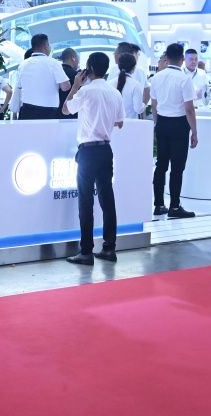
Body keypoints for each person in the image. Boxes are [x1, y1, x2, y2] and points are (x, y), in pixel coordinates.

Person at [64, 52, 124, 265]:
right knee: (107, 200)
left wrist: (75, 86)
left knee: (86, 200)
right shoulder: (115, 93)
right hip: (106, 150)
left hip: (88, 151)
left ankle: (86, 251)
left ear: (89, 68)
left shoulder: (86, 91)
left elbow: (65, 109)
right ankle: (109, 248)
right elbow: (120, 123)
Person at [149, 41, 198, 219]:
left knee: (161, 165)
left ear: (167, 58)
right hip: (179, 125)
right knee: (177, 167)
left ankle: (158, 204)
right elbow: (189, 109)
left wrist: (157, 123)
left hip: (162, 123)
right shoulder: (184, 79)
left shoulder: (157, 77)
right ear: (182, 59)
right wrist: (195, 132)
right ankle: (175, 206)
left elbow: (154, 105)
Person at [12, 34, 66, 120]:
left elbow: (19, 87)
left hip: (27, 110)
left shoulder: (23, 64)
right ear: (46, 46)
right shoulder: (53, 63)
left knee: (28, 129)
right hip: (48, 111)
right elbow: (65, 87)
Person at [115, 47, 148, 121]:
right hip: (131, 123)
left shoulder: (110, 83)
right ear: (133, 68)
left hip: (113, 123)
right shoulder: (135, 85)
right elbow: (138, 109)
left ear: (119, 66)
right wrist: (144, 106)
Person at [59, 48, 81, 117]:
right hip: (71, 114)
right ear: (73, 58)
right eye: (78, 58)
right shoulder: (76, 76)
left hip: (55, 113)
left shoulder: (56, 73)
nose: (78, 62)